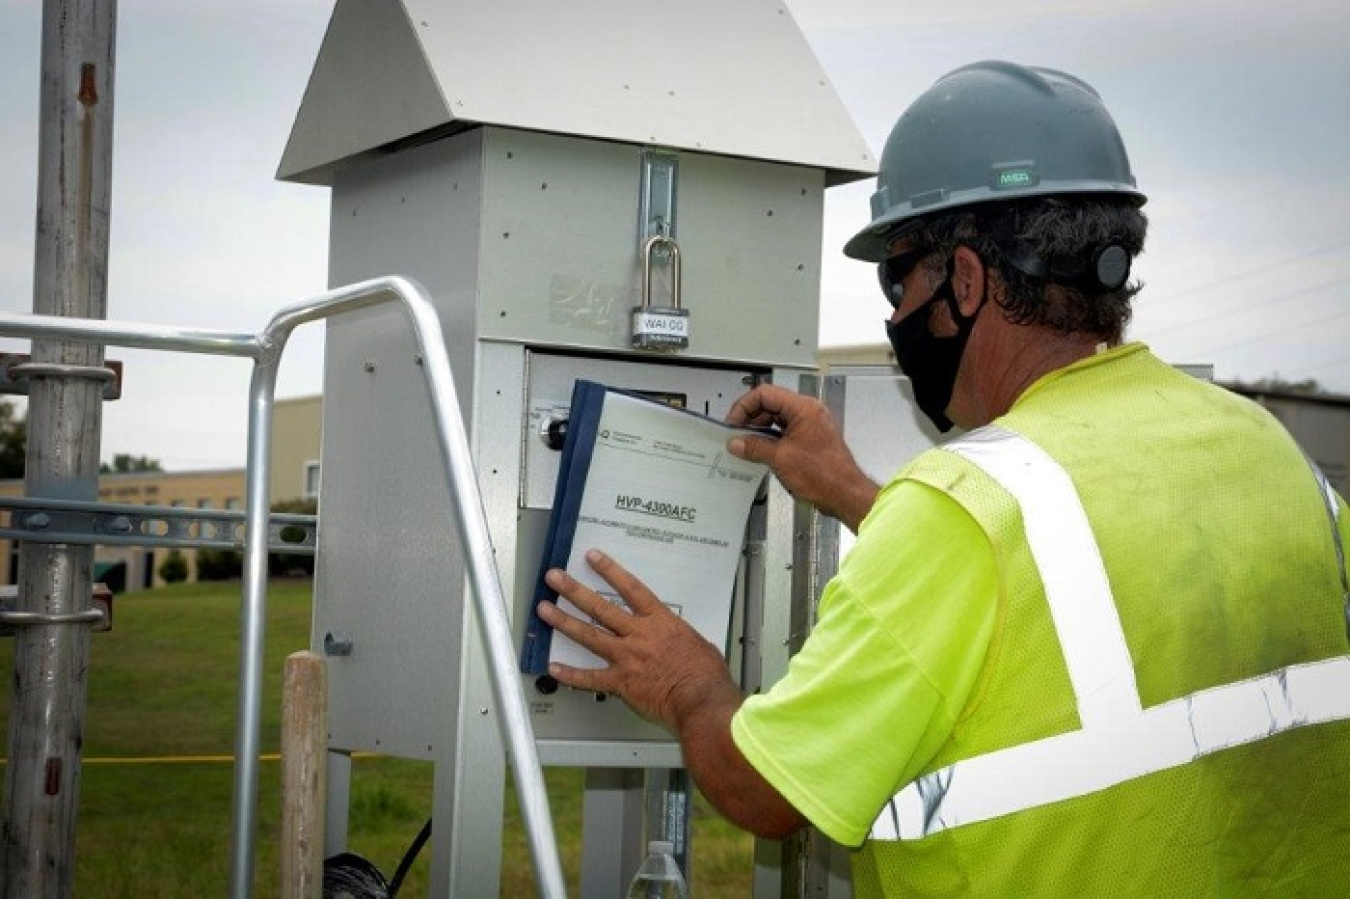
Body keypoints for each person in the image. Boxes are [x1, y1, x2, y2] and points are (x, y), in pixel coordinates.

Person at [536, 60, 1350, 894]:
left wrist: (688, 682)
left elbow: (764, 789)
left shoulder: (960, 509)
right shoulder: (1267, 448)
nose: (893, 316)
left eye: (899, 276)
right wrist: (856, 494)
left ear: (965, 280)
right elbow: (1055, 594)